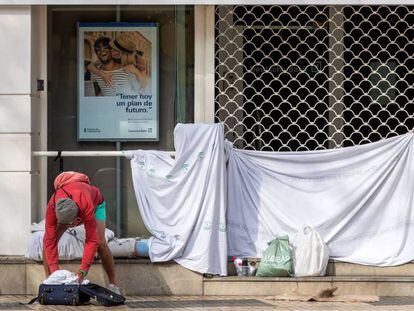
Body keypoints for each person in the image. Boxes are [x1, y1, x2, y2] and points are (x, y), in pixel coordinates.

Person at [43, 171, 120, 294]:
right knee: (49, 241)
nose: (71, 226)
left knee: (100, 243)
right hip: (69, 208)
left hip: (96, 203)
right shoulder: (52, 207)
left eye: (73, 222)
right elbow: (49, 240)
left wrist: (83, 271)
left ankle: (113, 284)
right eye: (67, 224)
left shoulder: (85, 204)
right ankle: (49, 283)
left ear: (78, 215)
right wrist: (55, 272)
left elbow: (91, 240)